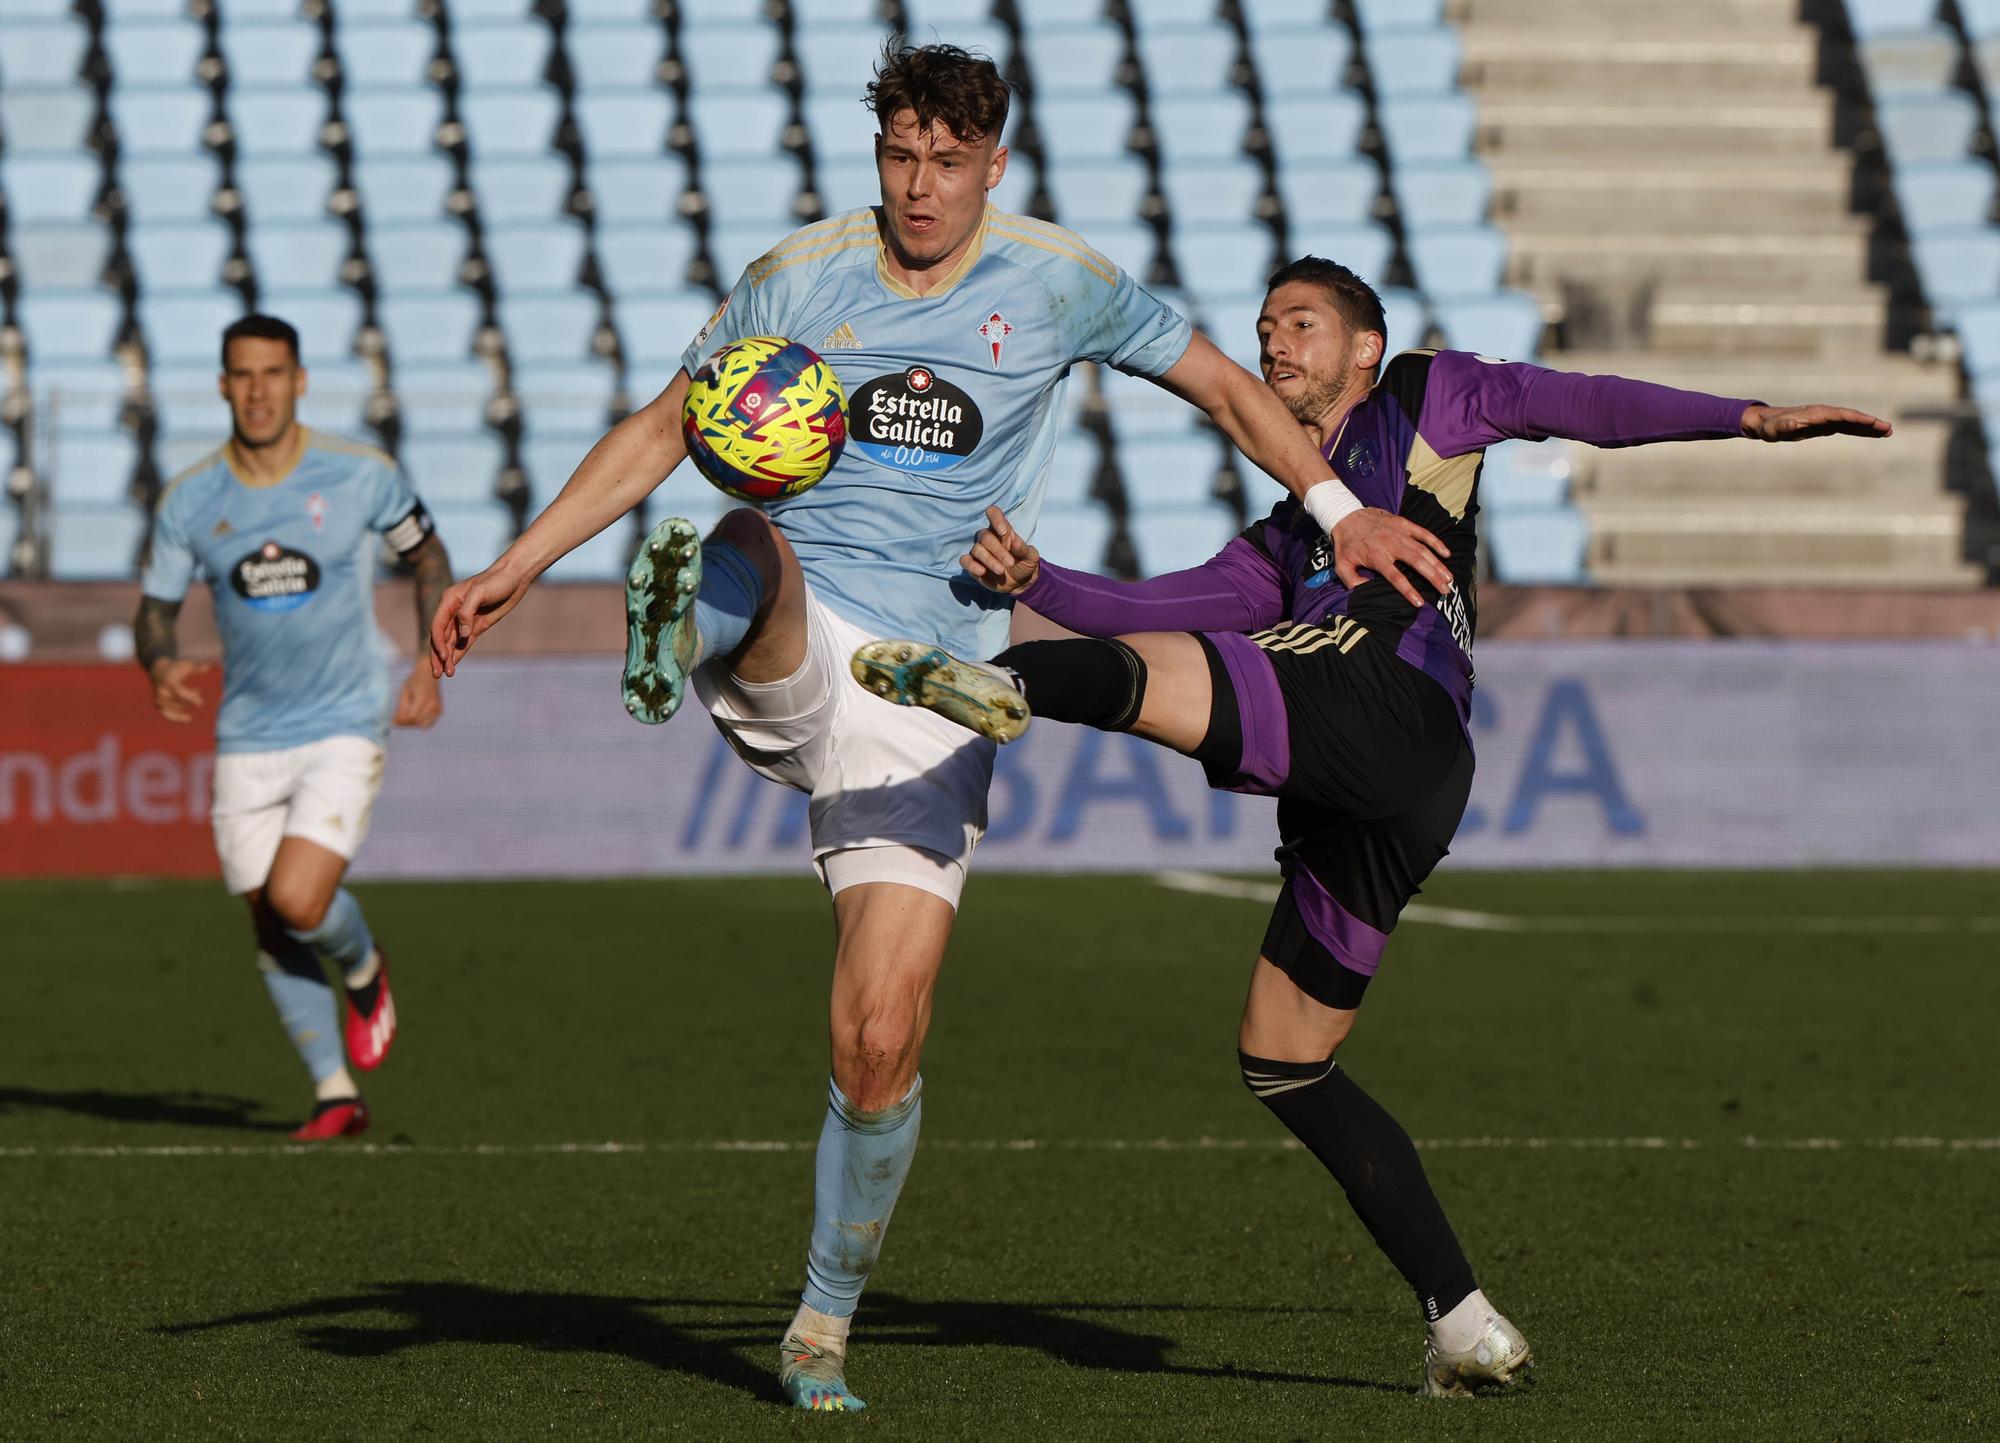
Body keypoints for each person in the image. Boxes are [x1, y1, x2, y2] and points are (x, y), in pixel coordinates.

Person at [427, 47, 1454, 1413]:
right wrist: (516, 559)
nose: (921, 186)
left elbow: (1222, 387)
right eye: (901, 158)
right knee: (742, 538)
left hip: (931, 683)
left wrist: (1339, 509)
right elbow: (667, 419)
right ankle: (679, 627)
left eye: (947, 163)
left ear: (994, 166)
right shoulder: (802, 275)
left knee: (878, 1035)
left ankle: (816, 1330)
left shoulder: (1055, 279)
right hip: (809, 623)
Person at [851, 255, 1891, 1397]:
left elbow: (1581, 403)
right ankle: (1464, 1321)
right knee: (1284, 1060)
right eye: (1260, 328)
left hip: (1378, 695)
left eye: (1298, 323)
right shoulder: (1290, 535)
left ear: (1359, 345)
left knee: (1141, 675)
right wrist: (1040, 573)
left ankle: (1007, 690)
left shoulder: (1423, 396)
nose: (1272, 345)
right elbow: (1160, 607)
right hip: (1395, 791)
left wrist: (1744, 418)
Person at [135, 313, 453, 1141]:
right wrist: (159, 663)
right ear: (221, 385)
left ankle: (363, 965)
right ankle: (334, 1093)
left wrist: (428, 661)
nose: (257, 390)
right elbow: (155, 612)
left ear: (300, 379)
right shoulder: (192, 499)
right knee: (269, 919)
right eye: (242, 374)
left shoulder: (359, 474)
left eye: (273, 373)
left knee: (299, 895)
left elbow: (427, 556)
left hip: (344, 721)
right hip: (246, 735)